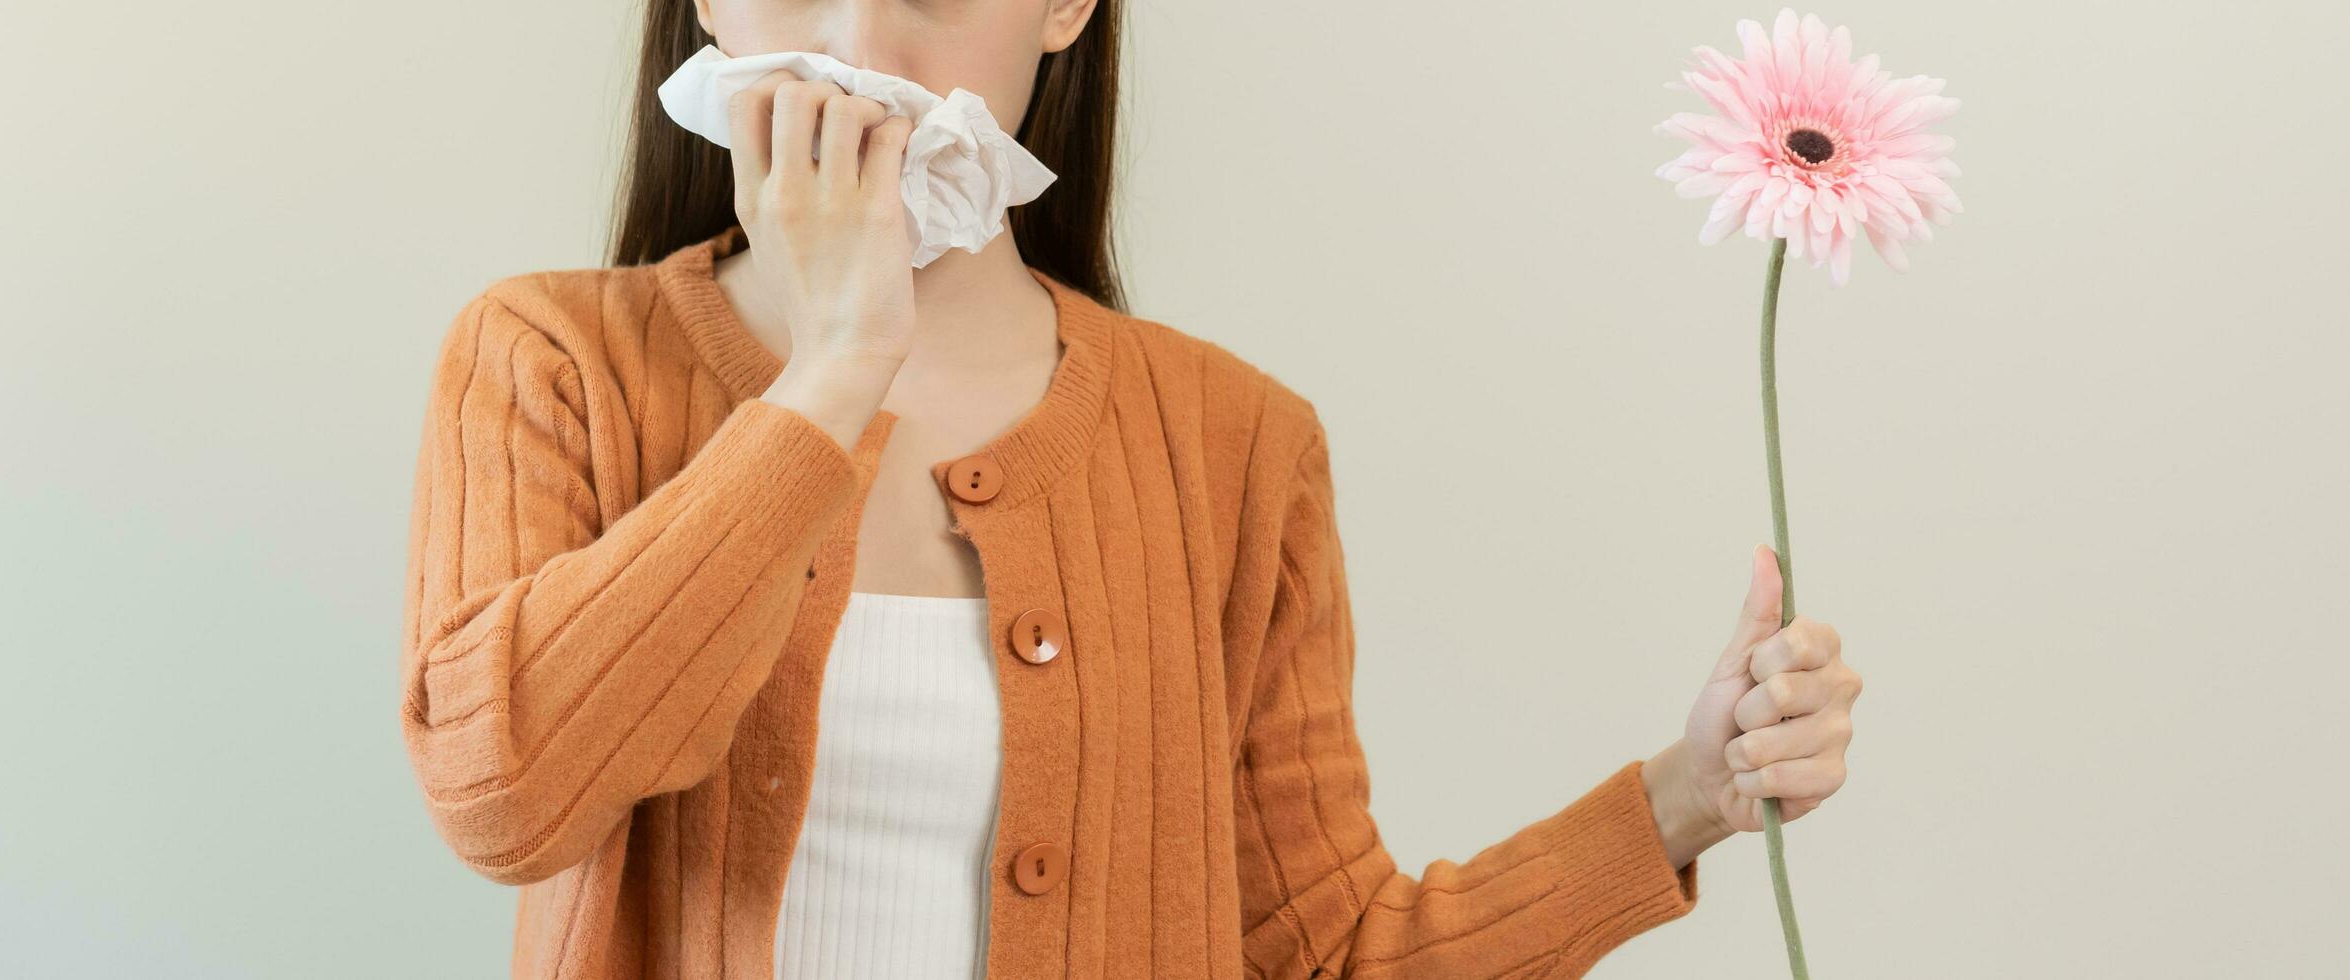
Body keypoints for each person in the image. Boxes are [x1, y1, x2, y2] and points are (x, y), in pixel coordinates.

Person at [397, 0, 1865, 977]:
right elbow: (508, 797)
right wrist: (834, 368)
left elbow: (1327, 953)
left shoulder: (1231, 443)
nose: (857, 41)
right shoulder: (550, 360)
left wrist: (1684, 799)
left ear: (1064, 5)